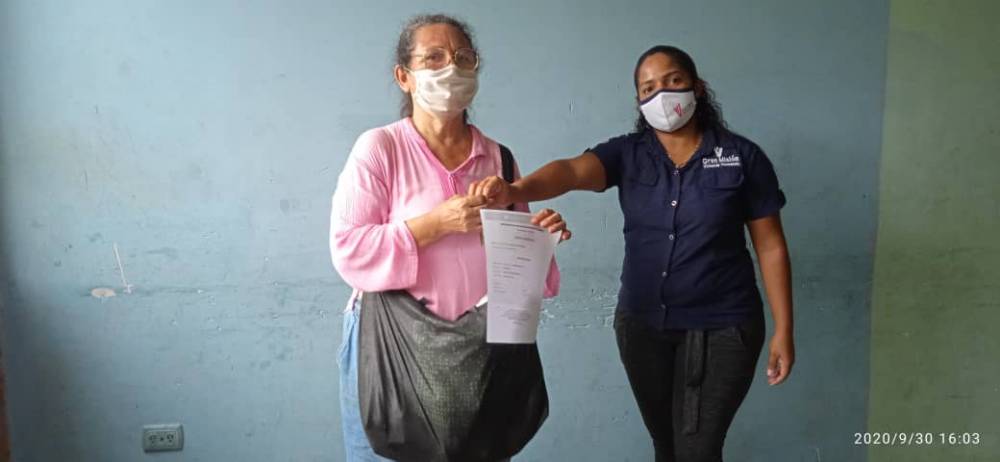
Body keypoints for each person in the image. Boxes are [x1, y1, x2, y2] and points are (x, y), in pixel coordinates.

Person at [470, 45, 794, 461]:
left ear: (697, 87)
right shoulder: (627, 154)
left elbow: (770, 245)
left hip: (724, 325)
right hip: (642, 327)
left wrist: (784, 329)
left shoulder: (741, 157)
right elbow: (570, 171)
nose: (662, 94)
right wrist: (515, 190)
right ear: (639, 101)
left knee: (698, 450)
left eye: (673, 81)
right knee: (666, 445)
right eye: (648, 88)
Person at [329, 14, 569, 461]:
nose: (451, 69)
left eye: (463, 57)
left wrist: (537, 241)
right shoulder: (381, 149)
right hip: (393, 346)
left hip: (479, 355)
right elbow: (350, 250)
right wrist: (437, 223)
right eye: (434, 58)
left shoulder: (498, 158)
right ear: (404, 76)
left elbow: (521, 280)